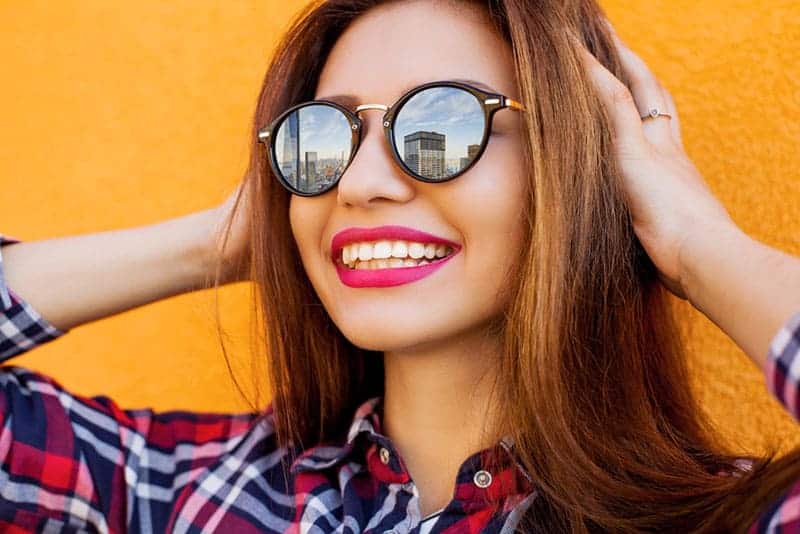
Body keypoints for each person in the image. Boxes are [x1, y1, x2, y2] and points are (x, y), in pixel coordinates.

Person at [1, 0, 799, 532]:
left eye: (442, 123)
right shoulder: (193, 498)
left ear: (575, 163)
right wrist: (225, 240)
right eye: (322, 138)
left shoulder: (719, 520)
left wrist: (693, 240)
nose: (360, 183)